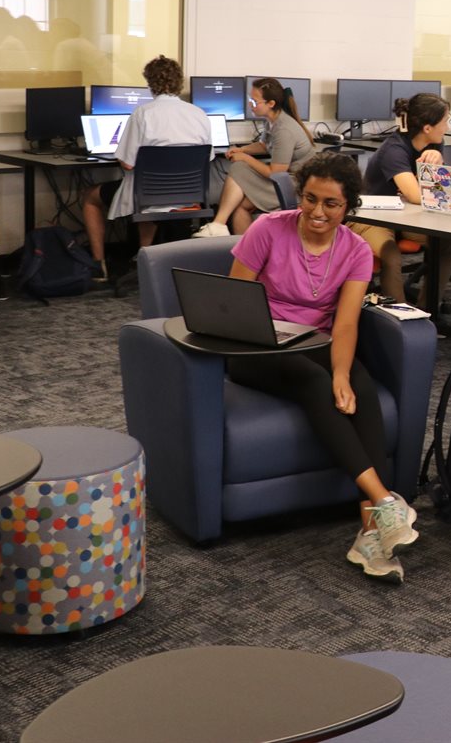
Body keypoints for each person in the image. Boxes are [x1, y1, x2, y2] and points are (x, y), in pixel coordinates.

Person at [227, 152, 419, 583]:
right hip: (251, 347)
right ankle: (386, 503)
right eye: (310, 198)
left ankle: (371, 535)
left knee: (360, 383)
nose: (317, 211)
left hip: (311, 341)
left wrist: (342, 373)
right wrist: (326, 374)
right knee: (315, 382)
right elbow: (232, 304)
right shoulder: (267, 229)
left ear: (348, 205)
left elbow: (346, 322)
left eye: (330, 204)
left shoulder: (355, 250)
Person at [82, 54, 212, 280]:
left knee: (90, 197)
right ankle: (144, 256)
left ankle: (99, 265)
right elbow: (207, 158)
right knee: (153, 197)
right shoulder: (199, 114)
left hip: (150, 195)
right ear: (179, 82)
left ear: (150, 83)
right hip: (188, 196)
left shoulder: (143, 114)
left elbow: (127, 163)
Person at [347, 92, 451, 305]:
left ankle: (427, 311)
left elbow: (435, 188)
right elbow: (416, 195)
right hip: (371, 217)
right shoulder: (394, 150)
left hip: (405, 217)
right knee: (391, 255)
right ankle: (400, 320)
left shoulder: (435, 144)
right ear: (427, 128)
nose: (448, 126)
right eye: (446, 121)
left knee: (450, 242)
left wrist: (438, 162)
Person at [195, 77, 315, 237]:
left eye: (254, 101)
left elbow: (276, 173)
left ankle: (218, 225)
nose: (250, 104)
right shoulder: (273, 121)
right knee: (240, 206)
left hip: (294, 186)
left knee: (239, 168)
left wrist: (245, 158)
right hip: (286, 180)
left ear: (271, 104)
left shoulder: (284, 130)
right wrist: (241, 150)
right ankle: (242, 250)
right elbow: (264, 146)